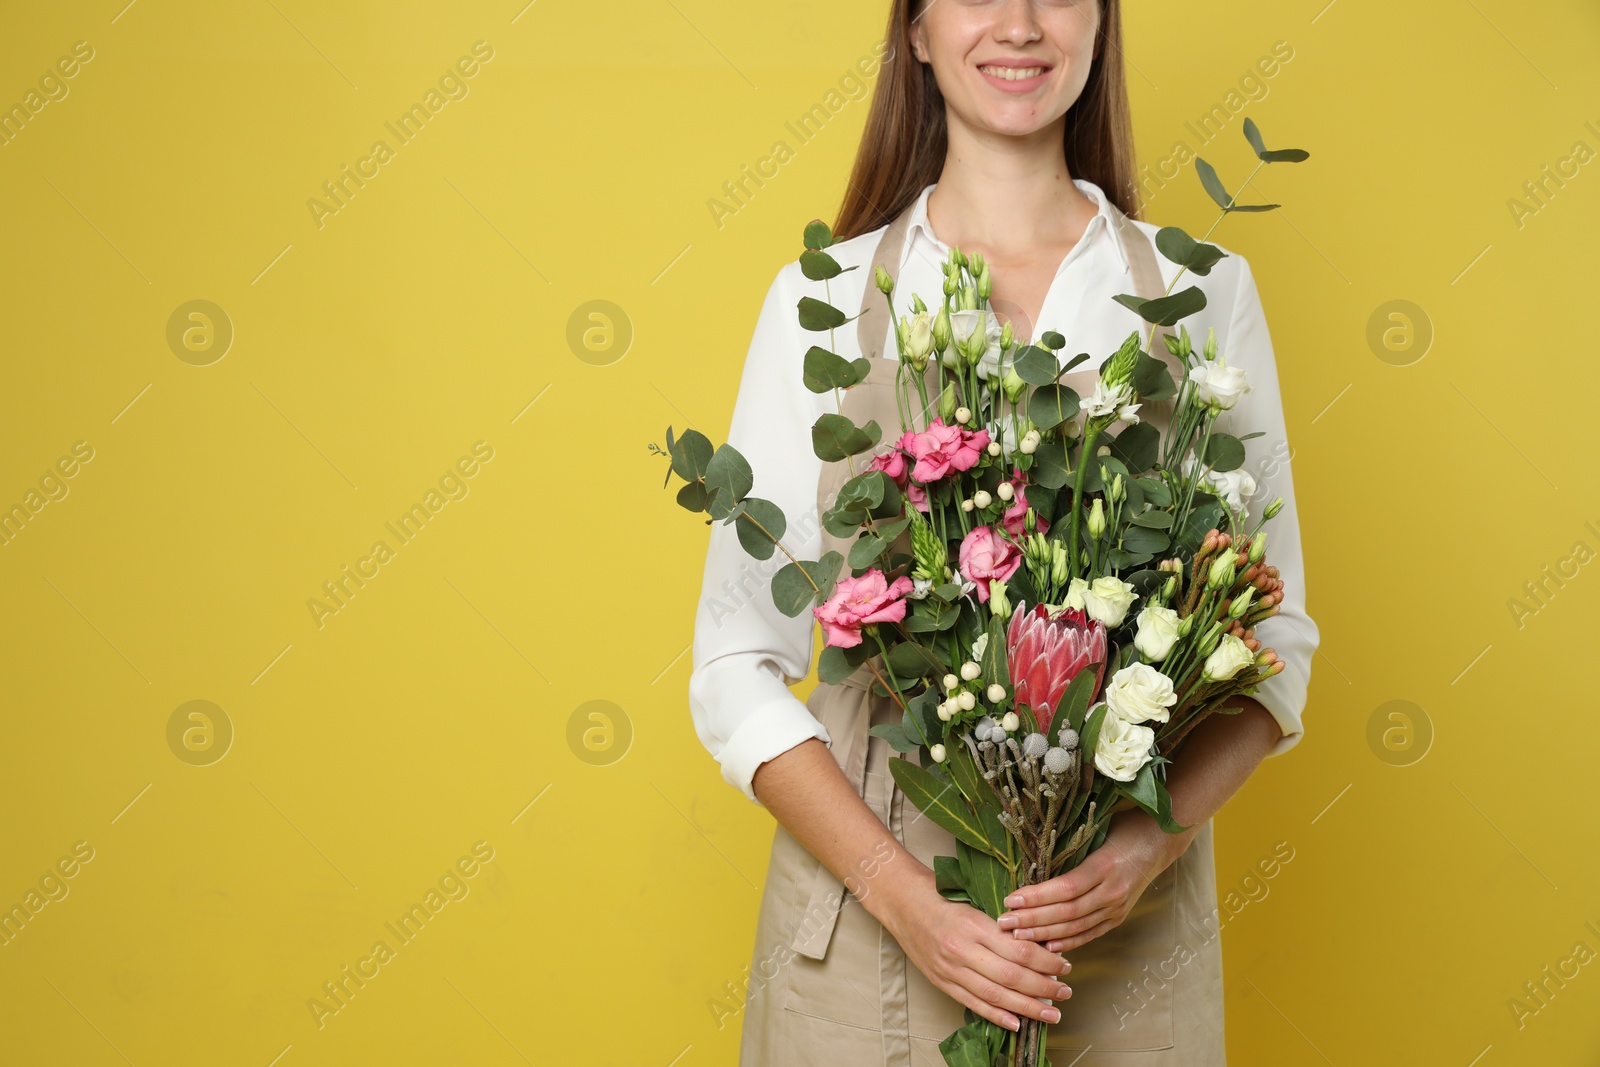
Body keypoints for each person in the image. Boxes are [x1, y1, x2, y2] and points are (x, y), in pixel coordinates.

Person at [687, 1, 1320, 1063]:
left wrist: (1135, 855)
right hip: (869, 926)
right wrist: (904, 899)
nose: (1020, 22)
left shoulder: (1203, 292)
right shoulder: (825, 297)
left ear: (1101, 26)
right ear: (917, 30)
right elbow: (731, 663)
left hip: (1118, 927)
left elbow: (1273, 641)